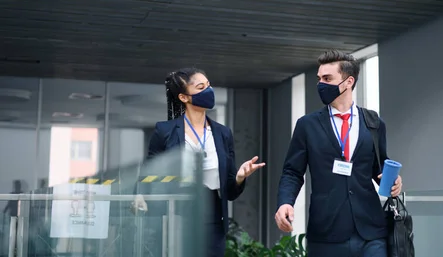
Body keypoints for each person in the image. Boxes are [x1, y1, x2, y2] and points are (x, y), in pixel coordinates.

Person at [275, 50, 403, 257]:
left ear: (348, 81)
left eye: (327, 78)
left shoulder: (374, 122)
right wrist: (285, 203)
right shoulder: (307, 125)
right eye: (319, 79)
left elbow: (379, 167)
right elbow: (292, 172)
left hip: (371, 232)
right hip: (326, 232)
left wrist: (393, 182)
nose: (321, 84)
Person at [132, 67, 265, 257]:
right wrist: (139, 195)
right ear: (184, 97)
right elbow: (148, 170)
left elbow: (230, 190)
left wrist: (240, 177)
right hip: (176, 214)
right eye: (201, 87)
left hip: (212, 217)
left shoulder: (222, 133)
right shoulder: (165, 130)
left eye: (208, 85)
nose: (208, 91)